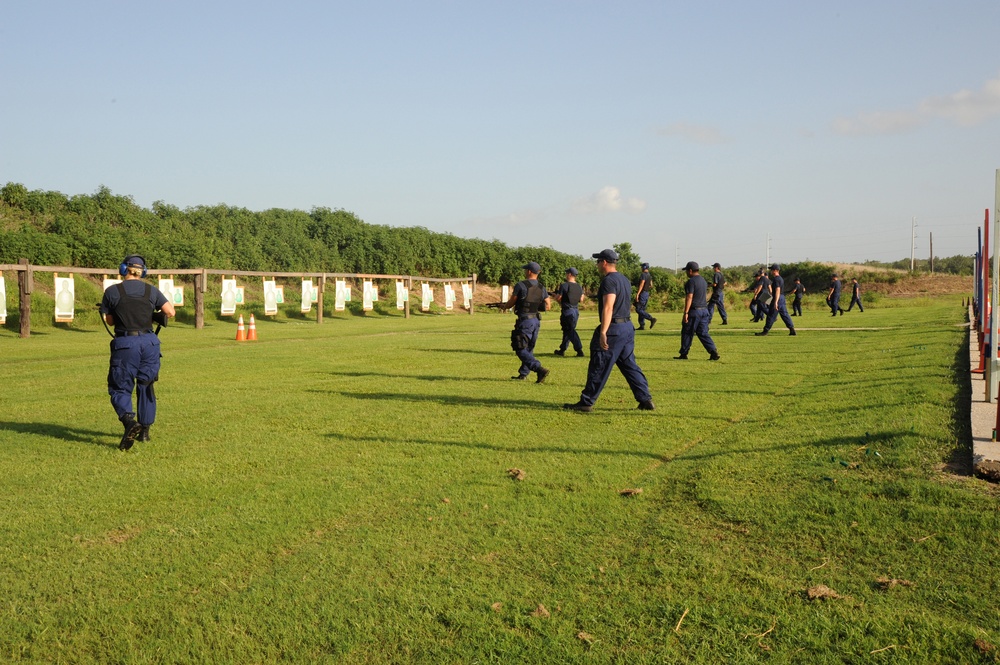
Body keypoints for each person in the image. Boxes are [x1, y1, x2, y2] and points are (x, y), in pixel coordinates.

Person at [564, 249, 654, 412]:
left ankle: (586, 402)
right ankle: (645, 399)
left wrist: (604, 332)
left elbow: (608, 307)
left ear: (604, 262)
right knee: (629, 365)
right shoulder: (624, 280)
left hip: (614, 329)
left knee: (599, 363)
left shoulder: (609, 281)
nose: (597, 264)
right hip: (627, 327)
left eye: (598, 261)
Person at [100, 255, 175, 450]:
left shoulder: (111, 291)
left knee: (120, 387)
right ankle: (145, 432)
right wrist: (149, 314)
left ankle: (129, 421)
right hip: (149, 343)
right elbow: (170, 312)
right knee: (146, 385)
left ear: (123, 269)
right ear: (143, 271)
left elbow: (110, 321)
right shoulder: (151, 290)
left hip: (126, 343)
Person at [499, 261, 551, 383]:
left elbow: (512, 301)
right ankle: (523, 374)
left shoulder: (521, 285)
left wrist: (505, 306)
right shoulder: (542, 287)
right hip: (536, 321)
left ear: (529, 271)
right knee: (529, 348)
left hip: (524, 321)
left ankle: (538, 368)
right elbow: (548, 306)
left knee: (520, 347)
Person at [676, 261, 720, 361]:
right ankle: (713, 351)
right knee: (703, 333)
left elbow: (689, 297)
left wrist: (686, 312)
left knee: (687, 332)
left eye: (687, 271)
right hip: (704, 311)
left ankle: (684, 353)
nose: (686, 273)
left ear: (690, 271)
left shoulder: (691, 282)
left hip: (694, 311)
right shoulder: (703, 281)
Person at [755, 264, 796, 336]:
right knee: (785, 314)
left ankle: (765, 331)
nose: (771, 271)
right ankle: (792, 329)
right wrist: (768, 299)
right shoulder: (780, 278)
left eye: (772, 270)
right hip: (782, 298)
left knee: (771, 314)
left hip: (778, 298)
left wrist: (775, 302)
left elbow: (777, 290)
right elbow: (773, 292)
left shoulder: (776, 279)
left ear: (775, 270)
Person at [553, 267, 585, 357]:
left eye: (567, 273)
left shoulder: (564, 285)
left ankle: (579, 350)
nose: (566, 275)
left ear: (570, 274)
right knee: (567, 330)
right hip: (576, 311)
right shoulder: (579, 286)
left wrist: (555, 297)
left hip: (567, 311)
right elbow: (581, 299)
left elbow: (558, 298)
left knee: (570, 330)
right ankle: (562, 349)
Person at [634, 262, 657, 330]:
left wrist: (638, 294)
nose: (641, 268)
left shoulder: (643, 275)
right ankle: (642, 325)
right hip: (647, 293)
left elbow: (642, 284)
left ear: (644, 268)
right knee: (642, 309)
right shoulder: (649, 275)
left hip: (643, 293)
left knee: (638, 309)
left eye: (641, 267)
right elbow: (651, 285)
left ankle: (651, 318)